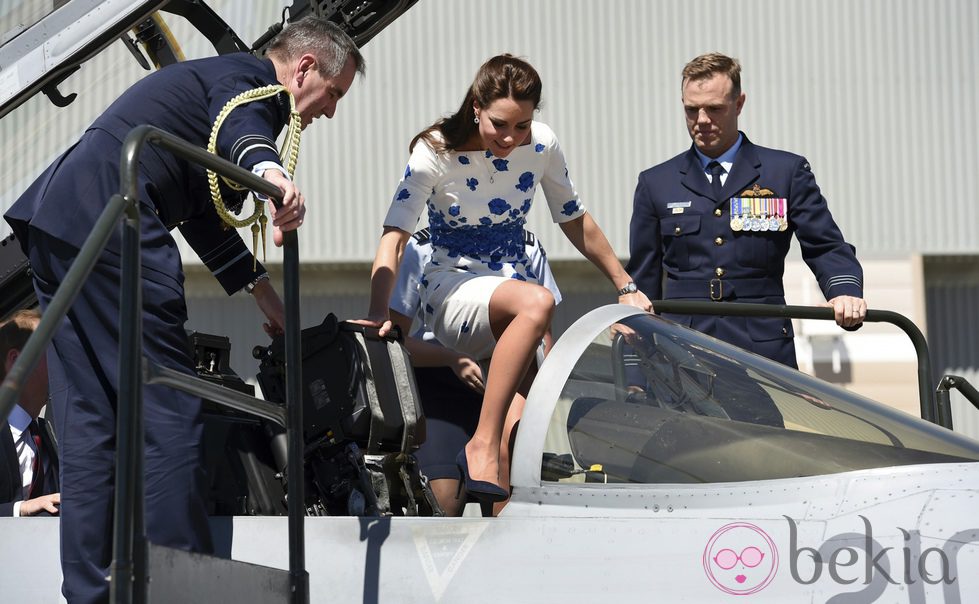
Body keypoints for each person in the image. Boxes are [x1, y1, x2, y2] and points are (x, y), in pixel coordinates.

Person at [3, 17, 364, 604]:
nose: (328, 111)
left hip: (58, 218)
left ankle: (92, 590)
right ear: (304, 69)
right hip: (112, 214)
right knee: (169, 408)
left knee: (90, 418)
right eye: (335, 92)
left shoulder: (209, 90)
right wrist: (272, 175)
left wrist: (260, 291)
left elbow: (203, 208)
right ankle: (177, 587)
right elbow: (246, 128)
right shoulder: (252, 82)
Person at [361, 54, 651, 503]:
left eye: (522, 126)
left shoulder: (542, 145)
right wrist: (379, 307)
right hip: (453, 288)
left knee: (514, 467)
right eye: (500, 124)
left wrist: (625, 284)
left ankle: (493, 477)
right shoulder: (433, 151)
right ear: (476, 105)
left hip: (515, 293)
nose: (511, 138)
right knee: (537, 303)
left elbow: (574, 219)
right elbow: (395, 235)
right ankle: (480, 442)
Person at [626, 52, 867, 369]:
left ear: (739, 104)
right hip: (682, 351)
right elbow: (642, 282)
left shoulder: (784, 173)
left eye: (714, 109)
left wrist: (844, 290)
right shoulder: (657, 183)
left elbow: (825, 245)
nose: (701, 120)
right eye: (691, 109)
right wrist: (636, 371)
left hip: (762, 351)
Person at [391, 227, 560, 515]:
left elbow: (543, 334)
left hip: (509, 380)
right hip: (442, 384)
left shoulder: (528, 245)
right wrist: (451, 359)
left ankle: (502, 557)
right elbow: (395, 339)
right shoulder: (420, 246)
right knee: (445, 497)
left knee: (507, 491)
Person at [1, 308, 60, 517]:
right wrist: (20, 509)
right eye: (49, 352)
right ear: (17, 361)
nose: (58, 363)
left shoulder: (44, 434)